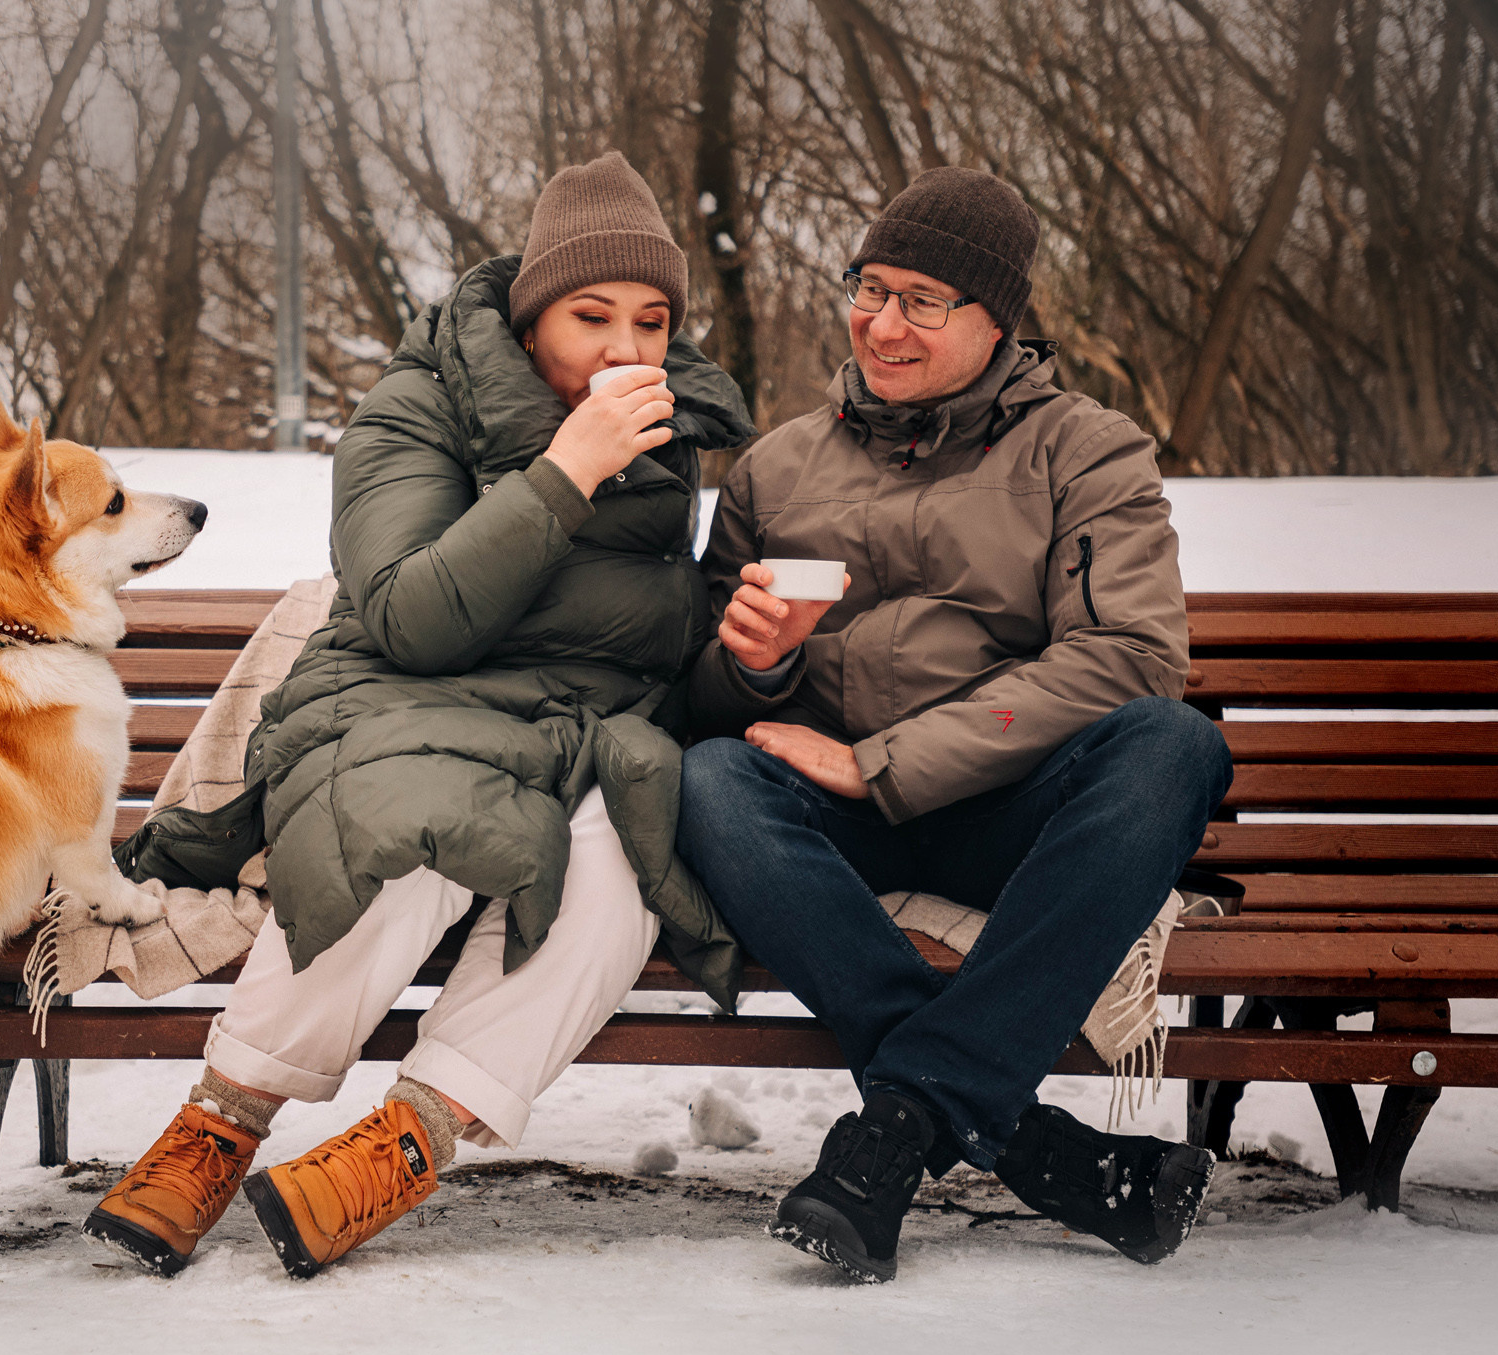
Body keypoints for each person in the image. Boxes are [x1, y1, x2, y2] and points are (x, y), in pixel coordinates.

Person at [86, 152, 755, 1279]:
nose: (625, 349)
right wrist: (562, 474)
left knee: (632, 856)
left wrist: (751, 650)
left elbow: (647, 635)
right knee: (407, 826)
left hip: (581, 732)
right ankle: (221, 1119)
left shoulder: (670, 431)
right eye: (592, 315)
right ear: (534, 309)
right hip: (407, 694)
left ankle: (405, 1144)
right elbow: (407, 619)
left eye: (651, 320)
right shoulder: (416, 406)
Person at [676, 167, 1233, 1283]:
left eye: (923, 299)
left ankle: (900, 1125)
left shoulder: (1088, 449)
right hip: (833, 818)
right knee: (704, 780)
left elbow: (1131, 653)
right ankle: (1029, 1145)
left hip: (1014, 813)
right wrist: (756, 668)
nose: (882, 323)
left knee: (1177, 747)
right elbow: (694, 696)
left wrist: (883, 761)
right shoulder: (776, 465)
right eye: (869, 287)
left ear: (999, 321)